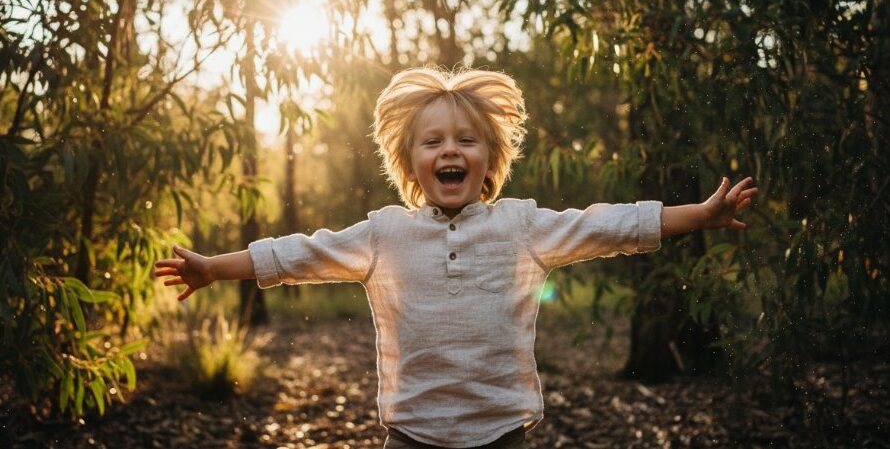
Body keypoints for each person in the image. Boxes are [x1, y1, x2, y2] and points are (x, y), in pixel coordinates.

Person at [155, 67, 758, 449]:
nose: (451, 150)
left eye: (466, 140)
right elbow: (298, 255)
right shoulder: (384, 234)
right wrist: (213, 267)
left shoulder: (522, 225)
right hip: (411, 435)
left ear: (489, 159)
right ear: (410, 162)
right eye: (434, 141)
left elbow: (607, 224)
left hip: (502, 433)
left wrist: (698, 216)